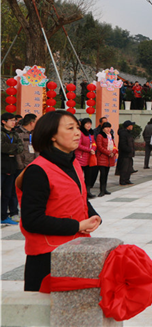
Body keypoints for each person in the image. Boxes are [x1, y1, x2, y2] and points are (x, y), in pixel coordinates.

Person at [16, 110, 101, 291]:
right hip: (47, 257)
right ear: (52, 135)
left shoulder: (73, 163)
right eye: (70, 128)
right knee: (45, 316)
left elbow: (79, 197)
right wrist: (76, 226)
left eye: (77, 128)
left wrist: (93, 216)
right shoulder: (38, 171)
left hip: (76, 248)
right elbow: (32, 220)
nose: (77, 133)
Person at [1, 113, 23, 225]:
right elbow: (2, 148)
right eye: (11, 120)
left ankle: (4, 215)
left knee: (7, 193)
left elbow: (20, 148)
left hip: (11, 166)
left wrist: (10, 148)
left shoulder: (15, 134)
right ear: (3, 121)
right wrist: (12, 147)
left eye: (14, 120)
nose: (14, 122)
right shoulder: (1, 133)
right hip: (2, 165)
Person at [75, 118, 97, 199]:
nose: (89, 125)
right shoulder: (80, 133)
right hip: (80, 157)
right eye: (87, 123)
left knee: (88, 176)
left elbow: (94, 143)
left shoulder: (91, 133)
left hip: (89, 157)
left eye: (90, 124)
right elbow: (78, 145)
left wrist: (93, 149)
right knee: (80, 176)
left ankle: (87, 192)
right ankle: (79, 192)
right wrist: (89, 150)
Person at [95, 122, 117, 197]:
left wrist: (113, 152)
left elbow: (114, 146)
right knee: (102, 174)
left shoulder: (110, 136)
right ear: (103, 128)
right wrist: (108, 153)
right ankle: (101, 190)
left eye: (109, 127)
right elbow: (100, 147)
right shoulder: (100, 136)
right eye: (106, 127)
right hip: (102, 157)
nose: (108, 129)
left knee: (106, 174)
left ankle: (105, 189)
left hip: (109, 158)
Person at [117, 121, 135, 186]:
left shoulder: (128, 133)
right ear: (128, 126)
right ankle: (122, 180)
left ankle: (127, 179)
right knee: (124, 168)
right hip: (125, 154)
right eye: (131, 125)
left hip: (129, 154)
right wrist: (129, 149)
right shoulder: (123, 133)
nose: (132, 127)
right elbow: (122, 144)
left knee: (129, 168)